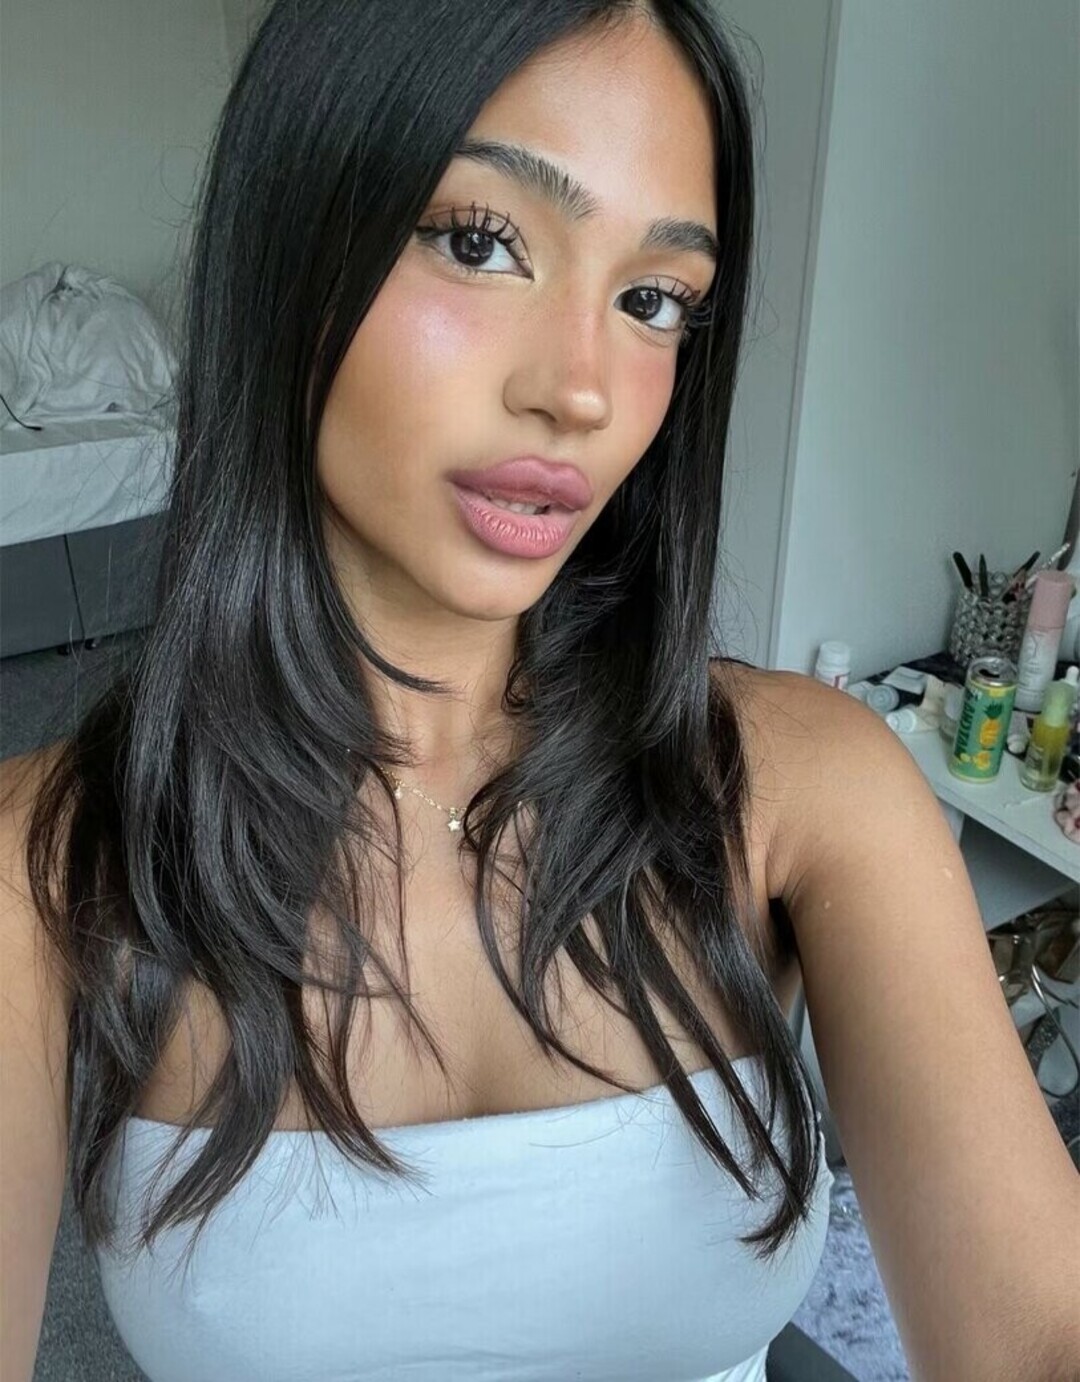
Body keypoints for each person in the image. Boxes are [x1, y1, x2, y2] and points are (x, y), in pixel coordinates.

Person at [2, 2, 1077, 1380]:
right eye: (478, 240)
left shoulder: (809, 784)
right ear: (294, 236)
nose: (584, 391)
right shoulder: (46, 868)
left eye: (654, 300)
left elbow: (1039, 1330)